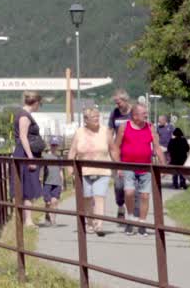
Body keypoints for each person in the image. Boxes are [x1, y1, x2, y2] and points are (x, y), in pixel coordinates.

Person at [111, 102, 166, 236]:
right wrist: (118, 165)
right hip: (127, 166)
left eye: (146, 113)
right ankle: (130, 219)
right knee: (129, 192)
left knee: (145, 196)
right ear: (135, 116)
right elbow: (116, 147)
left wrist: (163, 165)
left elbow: (157, 147)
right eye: (143, 113)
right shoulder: (124, 127)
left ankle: (142, 224)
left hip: (146, 167)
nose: (146, 115)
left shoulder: (150, 127)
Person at [68, 106, 112, 236]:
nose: (97, 120)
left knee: (99, 197)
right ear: (86, 120)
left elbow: (113, 148)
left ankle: (99, 224)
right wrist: (70, 168)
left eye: (98, 117)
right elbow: (72, 152)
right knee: (86, 197)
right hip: (84, 171)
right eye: (94, 118)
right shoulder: (79, 132)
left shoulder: (106, 131)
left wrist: (118, 166)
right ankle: (89, 222)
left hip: (102, 170)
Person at [12, 91, 46, 227]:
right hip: (26, 155)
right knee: (28, 186)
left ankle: (26, 219)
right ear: (36, 103)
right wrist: (30, 158)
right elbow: (23, 137)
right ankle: (27, 220)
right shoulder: (24, 116)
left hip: (25, 154)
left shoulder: (23, 114)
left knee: (27, 186)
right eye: (40, 104)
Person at [107, 89, 134, 220]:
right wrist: (109, 146)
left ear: (126, 100)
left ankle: (132, 211)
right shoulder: (114, 113)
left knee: (133, 183)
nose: (118, 105)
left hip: (133, 152)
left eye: (119, 102)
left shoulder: (134, 112)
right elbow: (110, 131)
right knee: (119, 184)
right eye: (116, 103)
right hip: (118, 152)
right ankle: (120, 205)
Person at [41, 137, 65, 225]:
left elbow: (61, 171)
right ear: (50, 145)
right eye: (52, 145)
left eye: (55, 145)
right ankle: (47, 215)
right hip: (47, 182)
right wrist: (40, 181)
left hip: (57, 182)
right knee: (48, 202)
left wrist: (62, 184)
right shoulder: (45, 156)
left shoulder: (59, 158)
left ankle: (53, 219)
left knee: (55, 201)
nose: (54, 147)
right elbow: (41, 169)